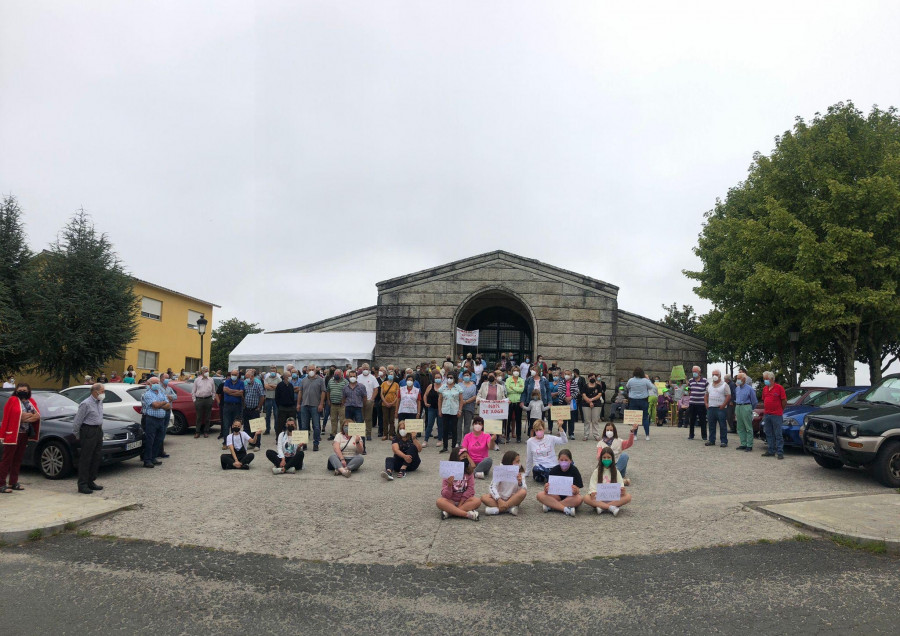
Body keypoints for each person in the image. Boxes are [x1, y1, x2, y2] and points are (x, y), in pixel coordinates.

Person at [1, 382, 41, 493]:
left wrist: (24, 418)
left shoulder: (31, 402)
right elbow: (9, 416)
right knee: (6, 460)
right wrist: (23, 417)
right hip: (12, 434)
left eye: (25, 390)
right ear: (16, 391)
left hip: (24, 434)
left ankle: (13, 482)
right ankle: (1, 483)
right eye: (20, 390)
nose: (22, 392)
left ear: (28, 391)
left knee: (18, 459)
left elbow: (37, 416)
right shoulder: (12, 400)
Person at [72, 383, 107, 494]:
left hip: (98, 430)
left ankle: (91, 481)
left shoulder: (100, 402)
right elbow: (77, 421)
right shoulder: (85, 404)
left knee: (96, 457)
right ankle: (82, 484)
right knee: (86, 458)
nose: (103, 393)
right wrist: (77, 435)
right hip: (88, 430)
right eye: (102, 391)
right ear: (95, 391)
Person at [436, 447, 481, 521]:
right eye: (463, 457)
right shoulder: (448, 473)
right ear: (456, 459)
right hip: (451, 501)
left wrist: (461, 503)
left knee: (477, 501)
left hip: (465, 501)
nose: (466, 459)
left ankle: (451, 512)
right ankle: (467, 514)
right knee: (439, 501)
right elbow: (445, 495)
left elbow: (470, 489)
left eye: (467, 457)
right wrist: (449, 485)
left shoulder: (469, 472)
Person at [584, 447, 632, 516]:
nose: (606, 459)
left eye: (609, 457)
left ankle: (602, 507)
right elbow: (592, 484)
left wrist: (622, 490)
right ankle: (611, 508)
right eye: (604, 457)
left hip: (612, 498)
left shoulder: (616, 471)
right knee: (586, 498)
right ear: (601, 459)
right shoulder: (596, 471)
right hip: (599, 498)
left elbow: (621, 483)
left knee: (628, 497)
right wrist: (592, 492)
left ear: (612, 459)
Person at [535, 449, 583, 517]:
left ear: (570, 461)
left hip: (570, 496)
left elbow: (578, 490)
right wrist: (546, 488)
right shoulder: (554, 470)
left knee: (579, 499)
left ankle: (551, 506)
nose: (564, 462)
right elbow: (548, 488)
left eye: (566, 460)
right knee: (540, 495)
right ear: (558, 460)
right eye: (561, 460)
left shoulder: (574, 470)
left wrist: (576, 490)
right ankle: (565, 509)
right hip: (556, 496)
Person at [482, 450, 527, 515]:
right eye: (517, 461)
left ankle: (498, 509)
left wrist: (520, 483)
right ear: (510, 462)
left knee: (523, 492)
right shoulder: (500, 470)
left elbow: (524, 488)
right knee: (484, 498)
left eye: (519, 461)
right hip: (500, 497)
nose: (519, 463)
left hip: (513, 498)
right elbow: (492, 486)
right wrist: (498, 499)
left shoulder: (520, 472)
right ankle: (509, 509)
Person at [141, 378, 171, 468]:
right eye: (154, 383)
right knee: (150, 440)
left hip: (161, 419)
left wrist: (160, 404)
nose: (156, 384)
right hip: (151, 419)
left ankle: (153, 457)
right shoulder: (147, 394)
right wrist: (163, 403)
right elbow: (154, 405)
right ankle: (147, 460)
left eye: (157, 382)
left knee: (159, 439)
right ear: (149, 384)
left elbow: (168, 406)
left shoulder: (160, 392)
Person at [596, 421, 638, 486]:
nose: (609, 431)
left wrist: (632, 432)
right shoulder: (600, 443)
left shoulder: (619, 441)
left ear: (614, 431)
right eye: (607, 430)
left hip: (618, 465)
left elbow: (629, 443)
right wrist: (602, 457)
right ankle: (619, 480)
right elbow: (599, 455)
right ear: (605, 431)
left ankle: (612, 477)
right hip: (606, 465)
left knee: (625, 455)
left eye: (611, 430)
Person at [297, 365, 326, 452]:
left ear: (316, 370)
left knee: (316, 426)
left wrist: (321, 404)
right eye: (309, 369)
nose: (311, 371)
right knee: (304, 426)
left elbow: (323, 392)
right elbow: (300, 392)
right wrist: (298, 403)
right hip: (304, 405)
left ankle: (316, 443)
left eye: (313, 369)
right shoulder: (303, 380)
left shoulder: (320, 380)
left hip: (315, 405)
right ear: (306, 371)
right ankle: (304, 444)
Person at [761, 371, 787, 460]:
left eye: (766, 379)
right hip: (767, 414)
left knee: (778, 434)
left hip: (776, 414)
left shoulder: (779, 388)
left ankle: (780, 452)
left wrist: (780, 409)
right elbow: (764, 399)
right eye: (764, 379)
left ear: (772, 379)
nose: (765, 381)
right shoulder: (765, 389)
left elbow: (784, 400)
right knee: (768, 433)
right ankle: (771, 450)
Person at [625, 367, 657, 440]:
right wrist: (648, 378)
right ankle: (647, 435)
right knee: (645, 418)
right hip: (643, 400)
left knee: (635, 418)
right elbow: (651, 387)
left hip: (633, 400)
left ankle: (635, 435)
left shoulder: (631, 380)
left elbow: (627, 387)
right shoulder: (645, 380)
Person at [705, 369, 732, 448]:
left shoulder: (725, 385)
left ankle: (724, 441)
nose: (714, 376)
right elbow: (706, 394)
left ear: (720, 375)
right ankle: (711, 440)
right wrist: (706, 403)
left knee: (722, 425)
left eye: (716, 374)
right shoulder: (709, 385)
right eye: (713, 374)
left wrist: (724, 405)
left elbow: (728, 395)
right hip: (711, 408)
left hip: (720, 408)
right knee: (711, 425)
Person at [438, 373, 463, 453]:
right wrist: (440, 410)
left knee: (454, 429)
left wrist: (460, 410)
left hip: (454, 411)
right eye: (448, 377)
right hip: (445, 410)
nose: (449, 379)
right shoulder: (443, 387)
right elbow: (440, 399)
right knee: (445, 429)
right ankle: (445, 446)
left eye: (451, 377)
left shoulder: (458, 387)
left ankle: (453, 447)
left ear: (454, 378)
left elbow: (461, 400)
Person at [733, 372, 758, 452]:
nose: (738, 380)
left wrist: (750, 408)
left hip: (746, 406)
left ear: (744, 379)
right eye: (737, 378)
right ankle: (743, 443)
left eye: (739, 378)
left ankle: (749, 445)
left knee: (748, 427)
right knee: (740, 427)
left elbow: (754, 401)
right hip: (738, 406)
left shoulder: (750, 389)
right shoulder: (737, 388)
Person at [220, 370, 244, 448]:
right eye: (232, 374)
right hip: (227, 406)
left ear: (238, 375)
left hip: (237, 406)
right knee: (226, 424)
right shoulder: (227, 381)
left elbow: (241, 393)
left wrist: (230, 392)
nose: (233, 376)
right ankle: (225, 442)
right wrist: (235, 392)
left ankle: (234, 442)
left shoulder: (241, 382)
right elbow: (225, 390)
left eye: (235, 374)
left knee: (235, 425)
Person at [191, 366, 216, 438]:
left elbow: (214, 391)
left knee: (208, 417)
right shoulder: (197, 380)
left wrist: (212, 399)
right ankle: (197, 432)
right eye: (205, 371)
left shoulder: (211, 380)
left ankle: (206, 431)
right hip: (199, 399)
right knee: (199, 417)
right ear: (202, 372)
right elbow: (193, 391)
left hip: (208, 399)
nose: (207, 372)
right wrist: (194, 400)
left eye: (207, 371)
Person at [554, 370, 580, 440]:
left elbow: (577, 391)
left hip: (571, 402)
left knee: (571, 419)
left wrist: (571, 397)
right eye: (565, 374)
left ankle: (571, 433)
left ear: (571, 375)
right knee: (563, 419)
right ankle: (563, 433)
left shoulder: (574, 382)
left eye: (568, 374)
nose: (566, 375)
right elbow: (560, 391)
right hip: (563, 401)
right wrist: (565, 398)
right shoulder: (561, 382)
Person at [358, 363, 379, 441]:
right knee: (360, 418)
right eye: (364, 369)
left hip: (369, 400)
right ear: (361, 369)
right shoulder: (358, 378)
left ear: (369, 369)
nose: (365, 370)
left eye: (367, 368)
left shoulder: (373, 378)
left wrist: (372, 399)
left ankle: (368, 434)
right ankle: (360, 434)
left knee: (368, 418)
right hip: (360, 401)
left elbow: (376, 389)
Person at [687, 366, 709, 440]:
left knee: (702, 420)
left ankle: (704, 436)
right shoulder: (690, 380)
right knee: (692, 420)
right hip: (692, 403)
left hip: (701, 403)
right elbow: (689, 391)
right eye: (693, 371)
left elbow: (707, 391)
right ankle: (691, 435)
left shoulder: (705, 380)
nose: (694, 373)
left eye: (695, 371)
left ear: (699, 372)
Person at [581, 373, 604, 441]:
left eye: (593, 377)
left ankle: (596, 435)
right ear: (588, 378)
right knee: (587, 420)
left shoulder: (598, 386)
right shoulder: (585, 386)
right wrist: (589, 401)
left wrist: (592, 400)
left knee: (595, 420)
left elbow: (599, 394)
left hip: (597, 404)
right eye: (590, 377)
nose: (592, 378)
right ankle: (586, 435)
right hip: (586, 404)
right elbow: (583, 395)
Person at [505, 366, 525, 442]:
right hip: (509, 402)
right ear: (512, 371)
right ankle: (507, 436)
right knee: (508, 419)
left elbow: (521, 390)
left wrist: (513, 388)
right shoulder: (508, 380)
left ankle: (518, 436)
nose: (516, 372)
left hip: (518, 402)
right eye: (514, 370)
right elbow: (508, 390)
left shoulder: (521, 380)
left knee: (518, 420)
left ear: (519, 372)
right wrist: (517, 389)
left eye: (517, 370)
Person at [422, 372, 443, 448]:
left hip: (440, 409)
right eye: (436, 378)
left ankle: (440, 439)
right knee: (429, 424)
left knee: (440, 424)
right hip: (431, 408)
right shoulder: (430, 386)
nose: (437, 379)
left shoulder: (444, 387)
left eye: (439, 377)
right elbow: (425, 395)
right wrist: (425, 403)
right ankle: (425, 440)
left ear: (441, 378)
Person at [325, 369, 347, 439]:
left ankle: (342, 434)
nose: (336, 375)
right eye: (335, 374)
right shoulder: (330, 381)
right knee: (333, 420)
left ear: (341, 375)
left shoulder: (345, 382)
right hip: (333, 404)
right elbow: (328, 391)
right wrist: (328, 400)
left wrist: (345, 400)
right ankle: (333, 434)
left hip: (342, 405)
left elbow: (348, 392)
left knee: (342, 420)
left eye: (338, 374)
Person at [380, 370, 400, 440]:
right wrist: (385, 402)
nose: (391, 375)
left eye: (392, 374)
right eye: (390, 374)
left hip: (393, 404)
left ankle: (391, 434)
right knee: (385, 419)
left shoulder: (396, 384)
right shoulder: (383, 383)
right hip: (384, 404)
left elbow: (398, 395)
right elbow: (381, 394)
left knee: (392, 420)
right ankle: (385, 434)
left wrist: (393, 402)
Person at [459, 370, 478, 438]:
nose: (466, 377)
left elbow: (475, 396)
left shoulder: (473, 386)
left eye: (467, 375)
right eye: (465, 375)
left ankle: (465, 440)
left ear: (470, 376)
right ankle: (458, 441)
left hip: (469, 407)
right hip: (460, 407)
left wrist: (466, 401)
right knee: (459, 425)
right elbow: (457, 394)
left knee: (467, 425)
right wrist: (462, 401)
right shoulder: (459, 385)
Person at [263, 366, 281, 435]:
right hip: (268, 398)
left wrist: (270, 385)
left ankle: (277, 429)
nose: (272, 372)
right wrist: (274, 386)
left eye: (274, 371)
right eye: (271, 371)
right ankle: (267, 429)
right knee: (267, 415)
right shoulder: (267, 378)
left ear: (276, 372)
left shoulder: (279, 379)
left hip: (276, 399)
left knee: (276, 415)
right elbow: (266, 386)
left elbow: (279, 387)